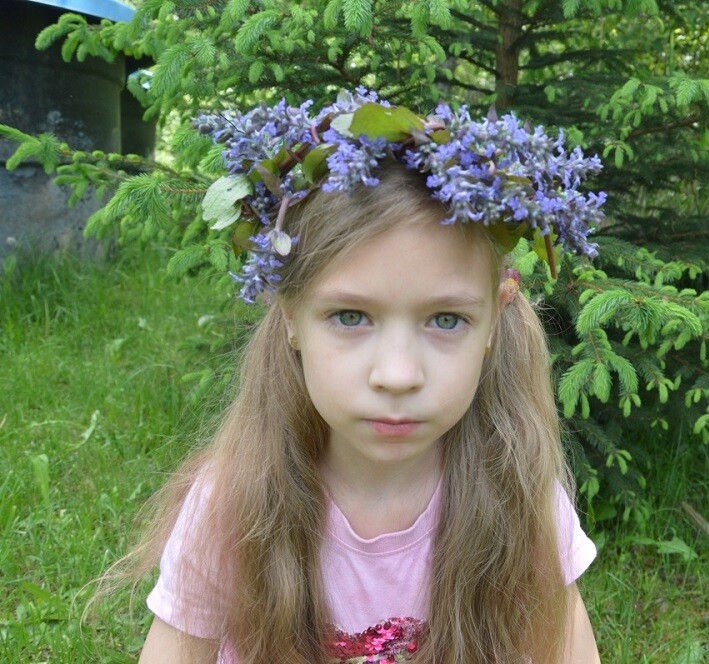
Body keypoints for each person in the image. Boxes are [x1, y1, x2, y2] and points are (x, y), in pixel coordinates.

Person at [116, 90, 606, 664]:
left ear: (493, 322)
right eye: (351, 317)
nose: (397, 375)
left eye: (446, 320)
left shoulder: (520, 498)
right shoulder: (230, 505)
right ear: (290, 316)